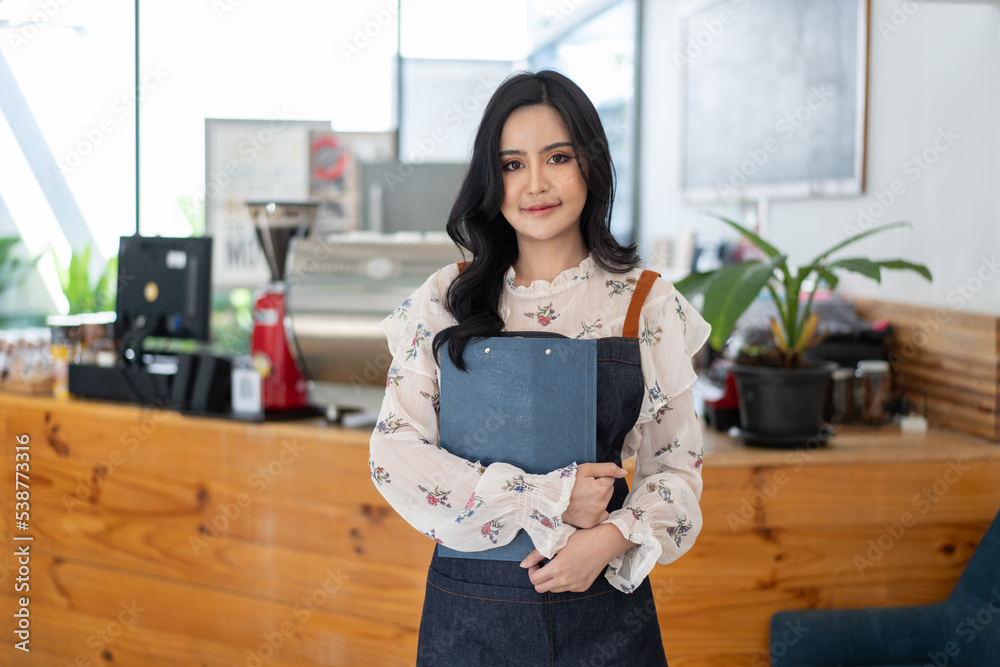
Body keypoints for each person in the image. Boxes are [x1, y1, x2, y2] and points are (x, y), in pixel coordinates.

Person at [369, 69, 710, 666]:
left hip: (603, 607)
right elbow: (395, 453)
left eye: (557, 157)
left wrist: (605, 540)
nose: (535, 184)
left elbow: (677, 471)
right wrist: (548, 499)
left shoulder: (644, 302)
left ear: (591, 166)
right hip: (469, 613)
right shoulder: (445, 298)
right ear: (489, 179)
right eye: (511, 164)